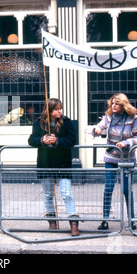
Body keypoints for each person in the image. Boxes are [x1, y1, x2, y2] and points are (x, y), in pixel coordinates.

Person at [28, 98, 80, 236]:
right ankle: (52, 220)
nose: (60, 111)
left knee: (66, 193)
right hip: (45, 162)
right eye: (57, 109)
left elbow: (72, 139)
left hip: (62, 162)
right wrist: (42, 140)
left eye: (60, 109)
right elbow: (31, 140)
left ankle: (73, 222)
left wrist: (57, 140)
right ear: (49, 110)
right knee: (48, 194)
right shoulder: (38, 123)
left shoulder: (67, 122)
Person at [92, 93, 137, 230]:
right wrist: (97, 130)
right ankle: (105, 220)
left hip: (127, 159)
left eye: (116, 104)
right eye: (112, 103)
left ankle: (131, 220)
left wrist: (127, 142)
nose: (113, 106)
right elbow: (99, 129)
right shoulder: (108, 117)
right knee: (108, 188)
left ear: (123, 105)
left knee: (126, 190)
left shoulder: (134, 119)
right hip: (111, 157)